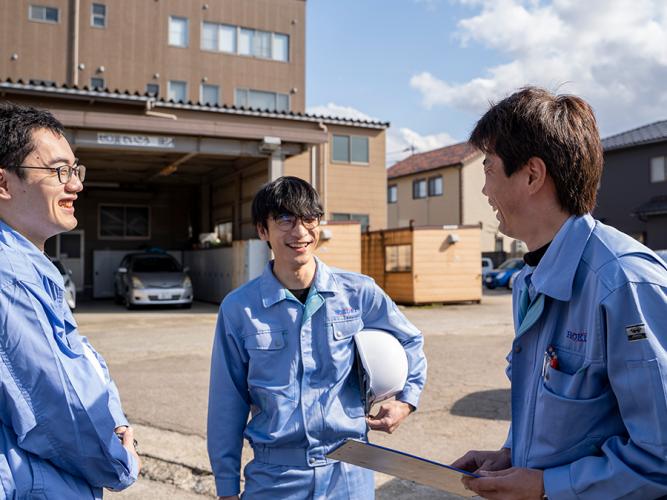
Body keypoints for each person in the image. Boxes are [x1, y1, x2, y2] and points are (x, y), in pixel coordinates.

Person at [452, 86, 667, 499]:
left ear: (532, 175)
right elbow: (551, 410)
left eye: (489, 169)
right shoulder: (527, 282)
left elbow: (660, 457)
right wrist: (511, 454)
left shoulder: (623, 282)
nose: (484, 191)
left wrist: (547, 485)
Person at [207, 176, 427, 499]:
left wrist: (406, 401)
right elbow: (227, 404)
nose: (300, 232)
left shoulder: (358, 292)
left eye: (309, 219)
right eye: (285, 219)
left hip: (350, 474)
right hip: (275, 479)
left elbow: (410, 341)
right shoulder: (239, 309)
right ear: (262, 230)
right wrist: (226, 487)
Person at [0, 103, 140, 497]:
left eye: (75, 170)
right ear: (4, 184)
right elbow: (56, 408)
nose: (75, 184)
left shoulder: (28, 266)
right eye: (59, 171)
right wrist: (119, 461)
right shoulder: (10, 274)